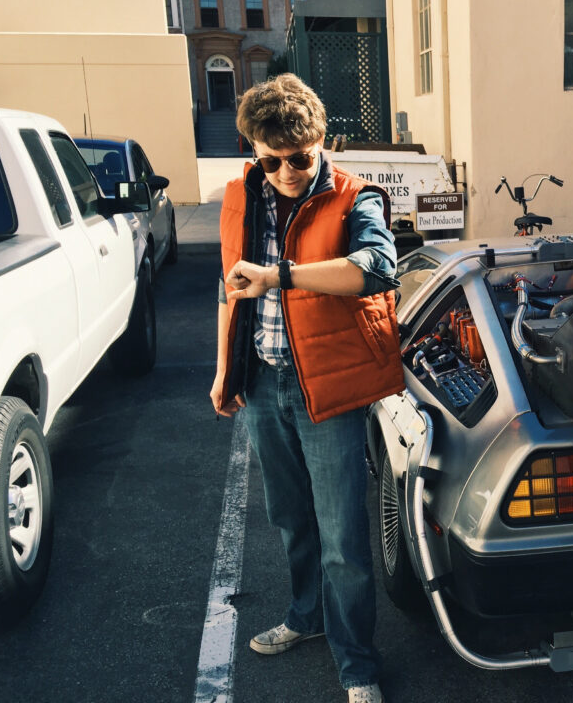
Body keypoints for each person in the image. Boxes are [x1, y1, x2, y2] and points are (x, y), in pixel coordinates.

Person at [209, 73, 404, 703]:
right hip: (265, 380)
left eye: (301, 158)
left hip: (331, 387)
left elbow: (377, 268)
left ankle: (358, 664)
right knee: (291, 518)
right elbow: (231, 285)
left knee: (343, 536)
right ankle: (307, 615)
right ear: (254, 154)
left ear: (323, 142)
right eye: (273, 161)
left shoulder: (354, 196)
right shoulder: (242, 194)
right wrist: (224, 370)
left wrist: (282, 275)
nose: (288, 172)